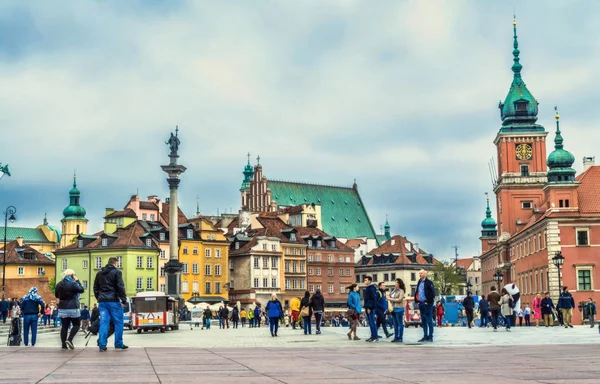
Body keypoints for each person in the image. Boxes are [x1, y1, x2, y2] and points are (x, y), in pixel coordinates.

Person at [93, 257, 128, 351]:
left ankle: (102, 344)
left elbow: (95, 287)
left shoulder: (99, 273)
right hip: (114, 301)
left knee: (104, 323)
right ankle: (118, 343)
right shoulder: (117, 272)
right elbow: (120, 286)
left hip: (102, 302)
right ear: (115, 263)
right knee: (119, 323)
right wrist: (123, 300)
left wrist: (99, 297)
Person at [55, 268, 85, 350]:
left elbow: (57, 295)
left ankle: (63, 345)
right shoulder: (73, 284)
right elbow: (82, 290)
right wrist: (78, 281)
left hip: (62, 308)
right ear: (72, 275)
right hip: (73, 307)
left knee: (64, 326)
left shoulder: (58, 284)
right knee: (76, 325)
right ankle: (69, 339)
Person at [415, 269, 435, 342]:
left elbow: (432, 293)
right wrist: (417, 301)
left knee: (429, 320)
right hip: (421, 303)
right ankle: (425, 336)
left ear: (425, 274)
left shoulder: (429, 282)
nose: (420, 274)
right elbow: (417, 291)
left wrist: (428, 302)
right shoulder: (419, 282)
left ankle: (430, 336)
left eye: (421, 273)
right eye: (419, 273)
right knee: (423, 321)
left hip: (427, 304)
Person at [388, 278, 406, 343]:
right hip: (393, 309)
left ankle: (400, 337)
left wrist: (391, 299)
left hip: (399, 309)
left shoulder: (401, 291)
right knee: (395, 324)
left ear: (399, 284)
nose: (395, 283)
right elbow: (390, 297)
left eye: (396, 282)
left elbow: (400, 299)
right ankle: (396, 337)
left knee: (400, 324)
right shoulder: (394, 290)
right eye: (395, 282)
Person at [363, 276, 379, 342]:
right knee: (370, 322)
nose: (365, 281)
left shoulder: (371, 288)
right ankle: (372, 336)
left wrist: (370, 307)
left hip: (370, 308)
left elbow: (373, 299)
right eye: (364, 280)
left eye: (366, 280)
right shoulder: (368, 288)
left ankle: (375, 337)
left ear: (370, 281)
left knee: (372, 323)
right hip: (368, 307)